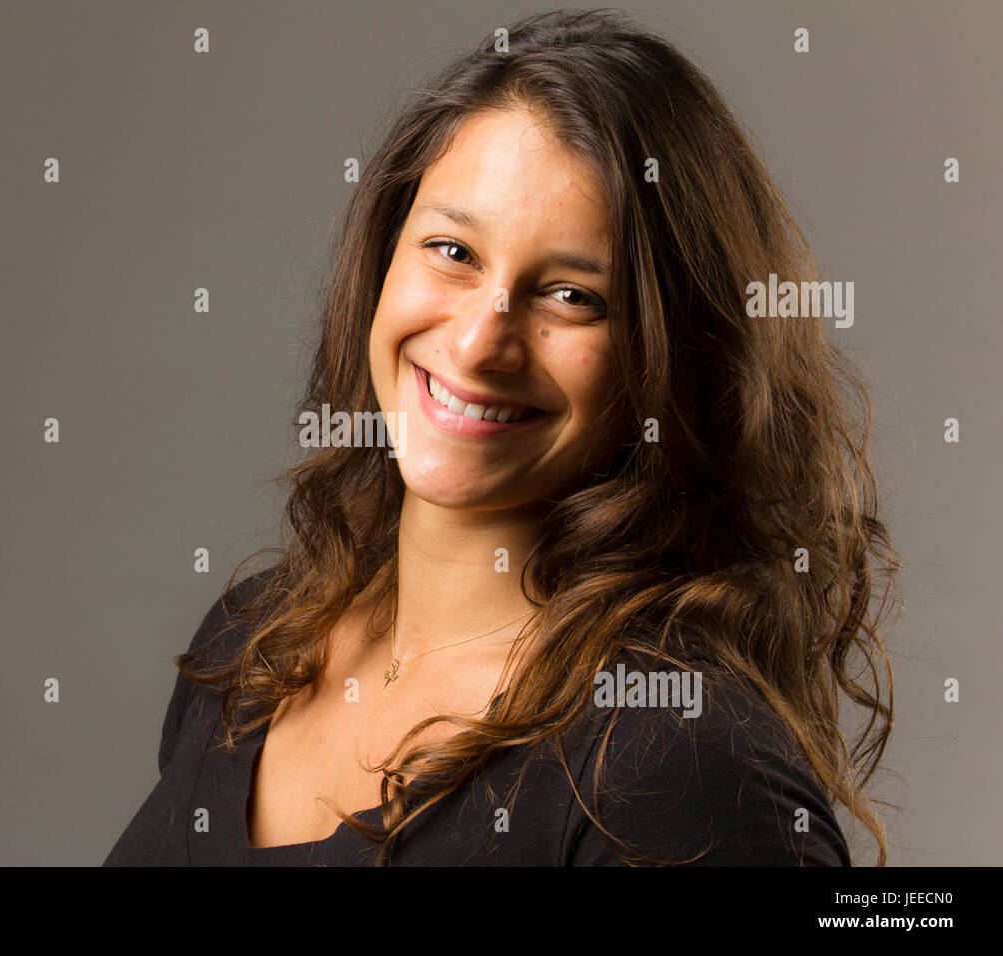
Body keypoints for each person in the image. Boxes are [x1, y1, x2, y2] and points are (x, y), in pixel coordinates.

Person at [104, 7, 900, 867]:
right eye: (452, 250)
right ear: (381, 259)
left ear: (673, 359)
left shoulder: (671, 764)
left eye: (571, 296)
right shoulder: (252, 642)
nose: (483, 341)